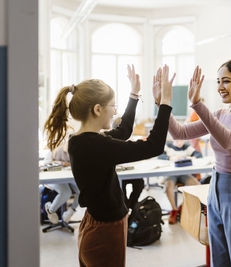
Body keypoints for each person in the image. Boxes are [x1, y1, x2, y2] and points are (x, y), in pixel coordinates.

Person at [43, 65, 174, 267]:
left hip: (98, 225)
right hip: (104, 231)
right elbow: (154, 146)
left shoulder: (82, 141)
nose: (115, 112)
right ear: (97, 109)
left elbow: (123, 131)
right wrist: (165, 103)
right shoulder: (96, 145)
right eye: (113, 106)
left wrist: (134, 94)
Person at [157, 60, 231, 267]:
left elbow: (230, 141)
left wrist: (198, 104)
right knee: (219, 259)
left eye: (226, 81)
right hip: (216, 191)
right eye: (218, 81)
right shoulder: (220, 114)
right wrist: (163, 104)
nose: (220, 87)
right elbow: (179, 133)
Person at [158, 139, 202, 224]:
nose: (179, 143)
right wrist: (170, 158)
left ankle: (182, 206)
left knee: (197, 185)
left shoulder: (187, 147)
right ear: (173, 140)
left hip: (184, 174)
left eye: (181, 141)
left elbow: (198, 155)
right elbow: (160, 156)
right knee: (168, 186)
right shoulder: (168, 146)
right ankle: (174, 209)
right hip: (170, 174)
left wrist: (192, 157)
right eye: (177, 141)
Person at [111, 117, 144, 211]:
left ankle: (131, 204)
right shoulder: (111, 141)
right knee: (121, 188)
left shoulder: (131, 140)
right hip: (118, 174)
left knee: (140, 183)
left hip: (130, 171)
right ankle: (125, 205)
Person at [44, 140, 80, 224]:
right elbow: (46, 163)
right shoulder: (56, 148)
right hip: (52, 177)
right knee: (66, 192)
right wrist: (61, 163)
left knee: (82, 190)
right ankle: (50, 210)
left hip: (67, 177)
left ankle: (71, 211)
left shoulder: (76, 151)